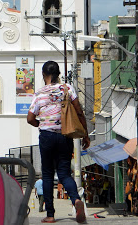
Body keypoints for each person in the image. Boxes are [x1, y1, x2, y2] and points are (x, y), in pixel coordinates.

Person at [27, 61, 90, 224]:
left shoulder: (39, 94)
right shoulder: (67, 89)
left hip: (47, 137)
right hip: (65, 135)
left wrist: (41, 124)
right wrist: (85, 134)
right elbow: (79, 111)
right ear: (59, 73)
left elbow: (30, 118)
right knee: (64, 173)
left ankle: (50, 215)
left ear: (43, 75)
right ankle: (76, 200)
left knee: (47, 175)